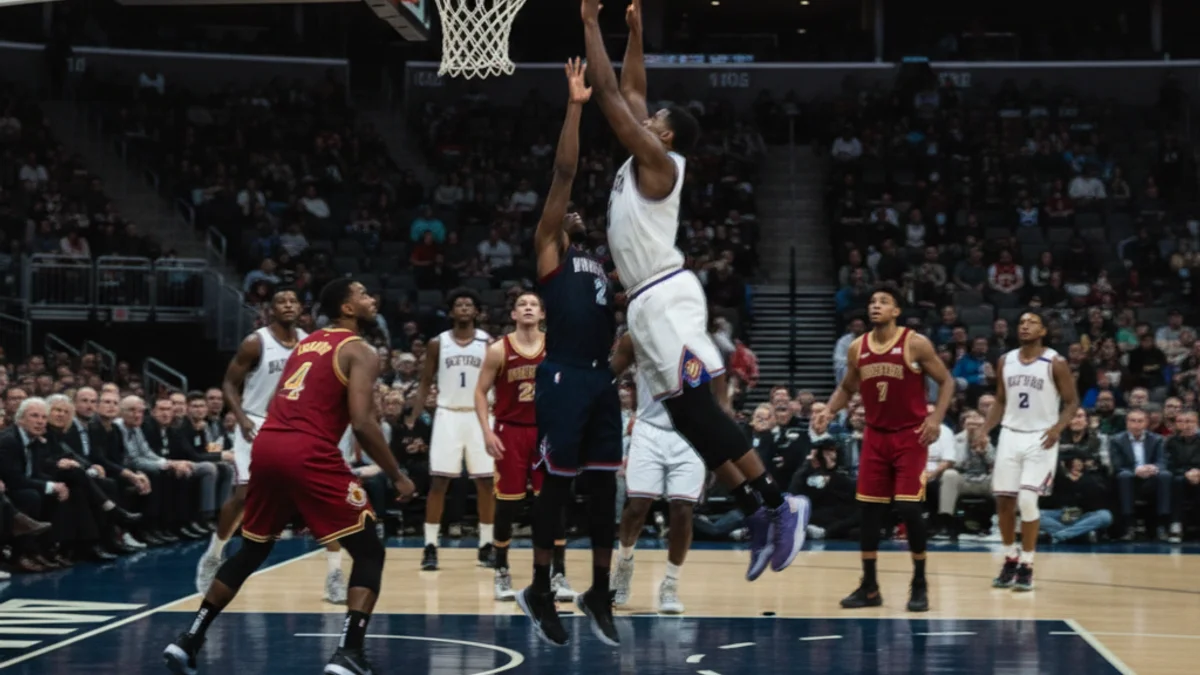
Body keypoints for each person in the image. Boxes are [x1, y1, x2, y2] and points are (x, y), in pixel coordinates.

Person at [583, 0, 808, 613]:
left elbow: (607, 93)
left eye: (654, 118)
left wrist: (587, 22)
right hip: (645, 304)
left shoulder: (659, 163)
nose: (645, 117)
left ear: (668, 135)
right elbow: (631, 87)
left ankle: (778, 502)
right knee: (684, 418)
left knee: (702, 413)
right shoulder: (646, 152)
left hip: (666, 297)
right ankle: (754, 510)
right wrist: (632, 32)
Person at [163, 279, 416, 675]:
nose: (372, 299)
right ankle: (349, 653)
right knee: (369, 551)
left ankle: (188, 640)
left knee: (252, 550)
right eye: (363, 294)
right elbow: (364, 423)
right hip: (307, 450)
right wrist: (397, 475)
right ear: (347, 308)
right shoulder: (360, 351)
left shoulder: (307, 343)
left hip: (268, 446)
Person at [516, 58, 623, 648]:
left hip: (601, 379)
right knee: (556, 486)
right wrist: (577, 107)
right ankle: (539, 584)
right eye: (569, 212)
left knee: (606, 487)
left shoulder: (602, 267)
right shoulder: (551, 251)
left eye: (583, 211)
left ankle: (599, 590)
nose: (576, 211)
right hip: (561, 378)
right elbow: (563, 172)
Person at [193, 289, 343, 601]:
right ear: (269, 309)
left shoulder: (310, 341)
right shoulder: (255, 342)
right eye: (281, 301)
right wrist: (241, 417)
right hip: (257, 421)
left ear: (301, 308)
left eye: (293, 301)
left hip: (298, 424)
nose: (288, 305)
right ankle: (214, 554)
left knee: (322, 498)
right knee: (245, 494)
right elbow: (229, 384)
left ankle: (335, 574)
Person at [818, 286, 956, 612]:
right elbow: (847, 387)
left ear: (896, 311)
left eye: (884, 302)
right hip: (875, 437)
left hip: (910, 435)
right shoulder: (857, 348)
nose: (876, 306)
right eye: (872, 302)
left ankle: (919, 582)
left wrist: (935, 418)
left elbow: (947, 381)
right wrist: (828, 409)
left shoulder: (915, 343)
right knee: (868, 512)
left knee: (908, 508)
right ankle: (869, 587)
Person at [982, 311, 1079, 591]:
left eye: (1031, 322)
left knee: (1027, 500)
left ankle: (1027, 563)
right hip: (1010, 435)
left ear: (1044, 331)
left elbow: (1072, 403)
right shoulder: (1006, 360)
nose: (1024, 326)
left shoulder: (1055, 362)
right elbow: (1000, 400)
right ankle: (1010, 557)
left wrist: (1057, 428)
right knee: (1004, 502)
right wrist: (986, 430)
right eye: (1021, 322)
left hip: (1041, 437)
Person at [609, 332, 706, 614]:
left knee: (682, 510)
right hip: (649, 428)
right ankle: (624, 563)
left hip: (690, 433)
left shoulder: (701, 342)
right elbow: (610, 372)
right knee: (637, 506)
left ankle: (670, 584)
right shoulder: (639, 337)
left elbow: (718, 396)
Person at [408, 288, 494, 571]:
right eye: (459, 304)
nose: (464, 308)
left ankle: (486, 545)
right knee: (439, 483)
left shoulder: (487, 342)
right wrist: (414, 416)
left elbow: (496, 382)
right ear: (451, 311)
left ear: (477, 311)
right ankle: (430, 546)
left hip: (479, 416)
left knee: (485, 483)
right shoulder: (437, 343)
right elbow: (424, 383)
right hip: (447, 414)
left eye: (469, 304)